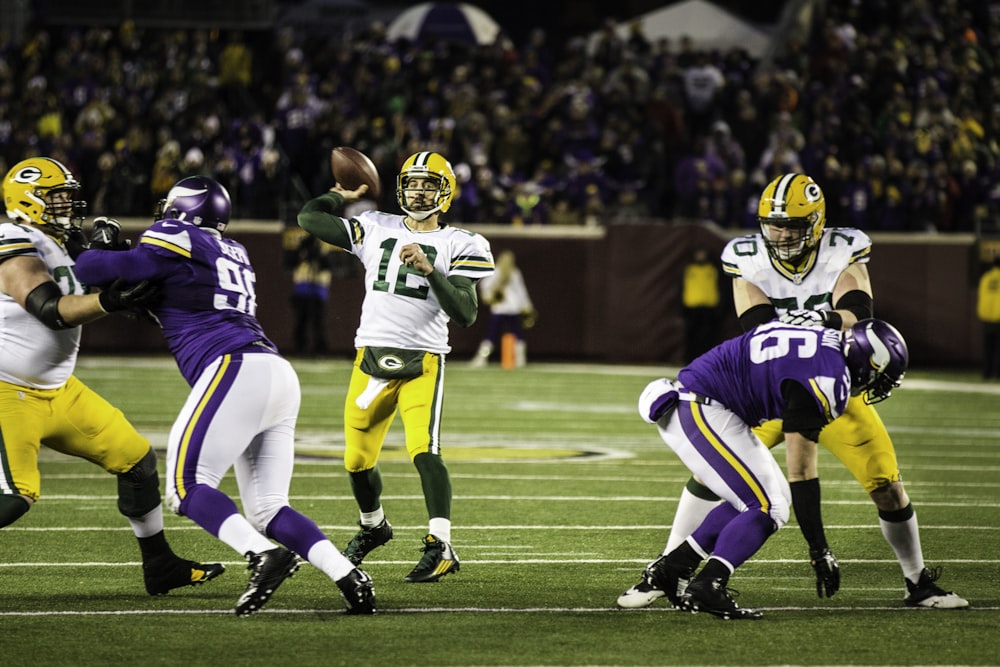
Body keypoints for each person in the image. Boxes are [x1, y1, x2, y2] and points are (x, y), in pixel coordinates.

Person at [619, 172, 968, 610]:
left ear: (818, 224)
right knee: (716, 479)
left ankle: (917, 582)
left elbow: (857, 313)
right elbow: (756, 326)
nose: (782, 234)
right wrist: (824, 323)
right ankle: (666, 570)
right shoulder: (747, 257)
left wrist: (823, 325)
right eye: (774, 224)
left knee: (886, 484)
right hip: (772, 391)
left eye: (793, 226)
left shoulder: (844, 250)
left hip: (833, 384)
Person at [73, 176, 375, 616]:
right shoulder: (234, 250)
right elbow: (165, 290)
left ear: (184, 210)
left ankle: (262, 555)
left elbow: (97, 271)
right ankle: (348, 575)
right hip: (273, 372)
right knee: (269, 508)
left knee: (184, 486)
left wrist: (91, 251)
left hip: (233, 368)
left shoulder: (176, 234)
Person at [0, 157, 224, 596]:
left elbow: (114, 290)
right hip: (8, 389)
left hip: (59, 390)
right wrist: (112, 300)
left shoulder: (62, 242)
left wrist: (127, 277)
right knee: (15, 496)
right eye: (57, 196)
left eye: (67, 195)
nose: (66, 204)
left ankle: (160, 567)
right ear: (26, 200)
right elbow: (51, 310)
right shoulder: (13, 235)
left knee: (137, 461)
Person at [297, 151, 494, 582]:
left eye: (428, 183)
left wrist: (429, 269)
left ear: (445, 192)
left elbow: (465, 313)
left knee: (424, 450)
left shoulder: (463, 242)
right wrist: (337, 194)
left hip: (422, 359)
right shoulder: (374, 225)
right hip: (369, 357)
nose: (418, 190)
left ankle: (440, 543)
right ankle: (373, 527)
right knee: (355, 461)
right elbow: (309, 219)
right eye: (412, 182)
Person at [636, 318, 909, 619]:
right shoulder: (828, 378)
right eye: (879, 377)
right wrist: (819, 550)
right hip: (700, 406)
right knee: (770, 507)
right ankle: (708, 585)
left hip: (708, 401)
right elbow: (802, 473)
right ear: (867, 362)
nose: (874, 386)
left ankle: (672, 569)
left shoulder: (825, 341)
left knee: (770, 496)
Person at [470, 249, 536, 368]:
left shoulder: (500, 272)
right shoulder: (511, 272)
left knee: (491, 335)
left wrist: (488, 296)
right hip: (512, 309)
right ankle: (520, 360)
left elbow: (483, 285)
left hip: (500, 309)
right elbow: (522, 292)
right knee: (517, 334)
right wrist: (527, 306)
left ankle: (482, 359)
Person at [680, 247, 722, 363]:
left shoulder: (712, 269)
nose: (700, 256)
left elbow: (720, 288)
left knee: (708, 336)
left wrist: (719, 307)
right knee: (691, 335)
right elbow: (681, 288)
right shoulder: (689, 269)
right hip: (692, 307)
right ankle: (689, 359)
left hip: (709, 308)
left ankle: (707, 361)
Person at [976, 256, 1000, 379]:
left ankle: (987, 373)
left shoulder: (985, 278)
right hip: (998, 318)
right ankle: (997, 374)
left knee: (988, 348)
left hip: (986, 318)